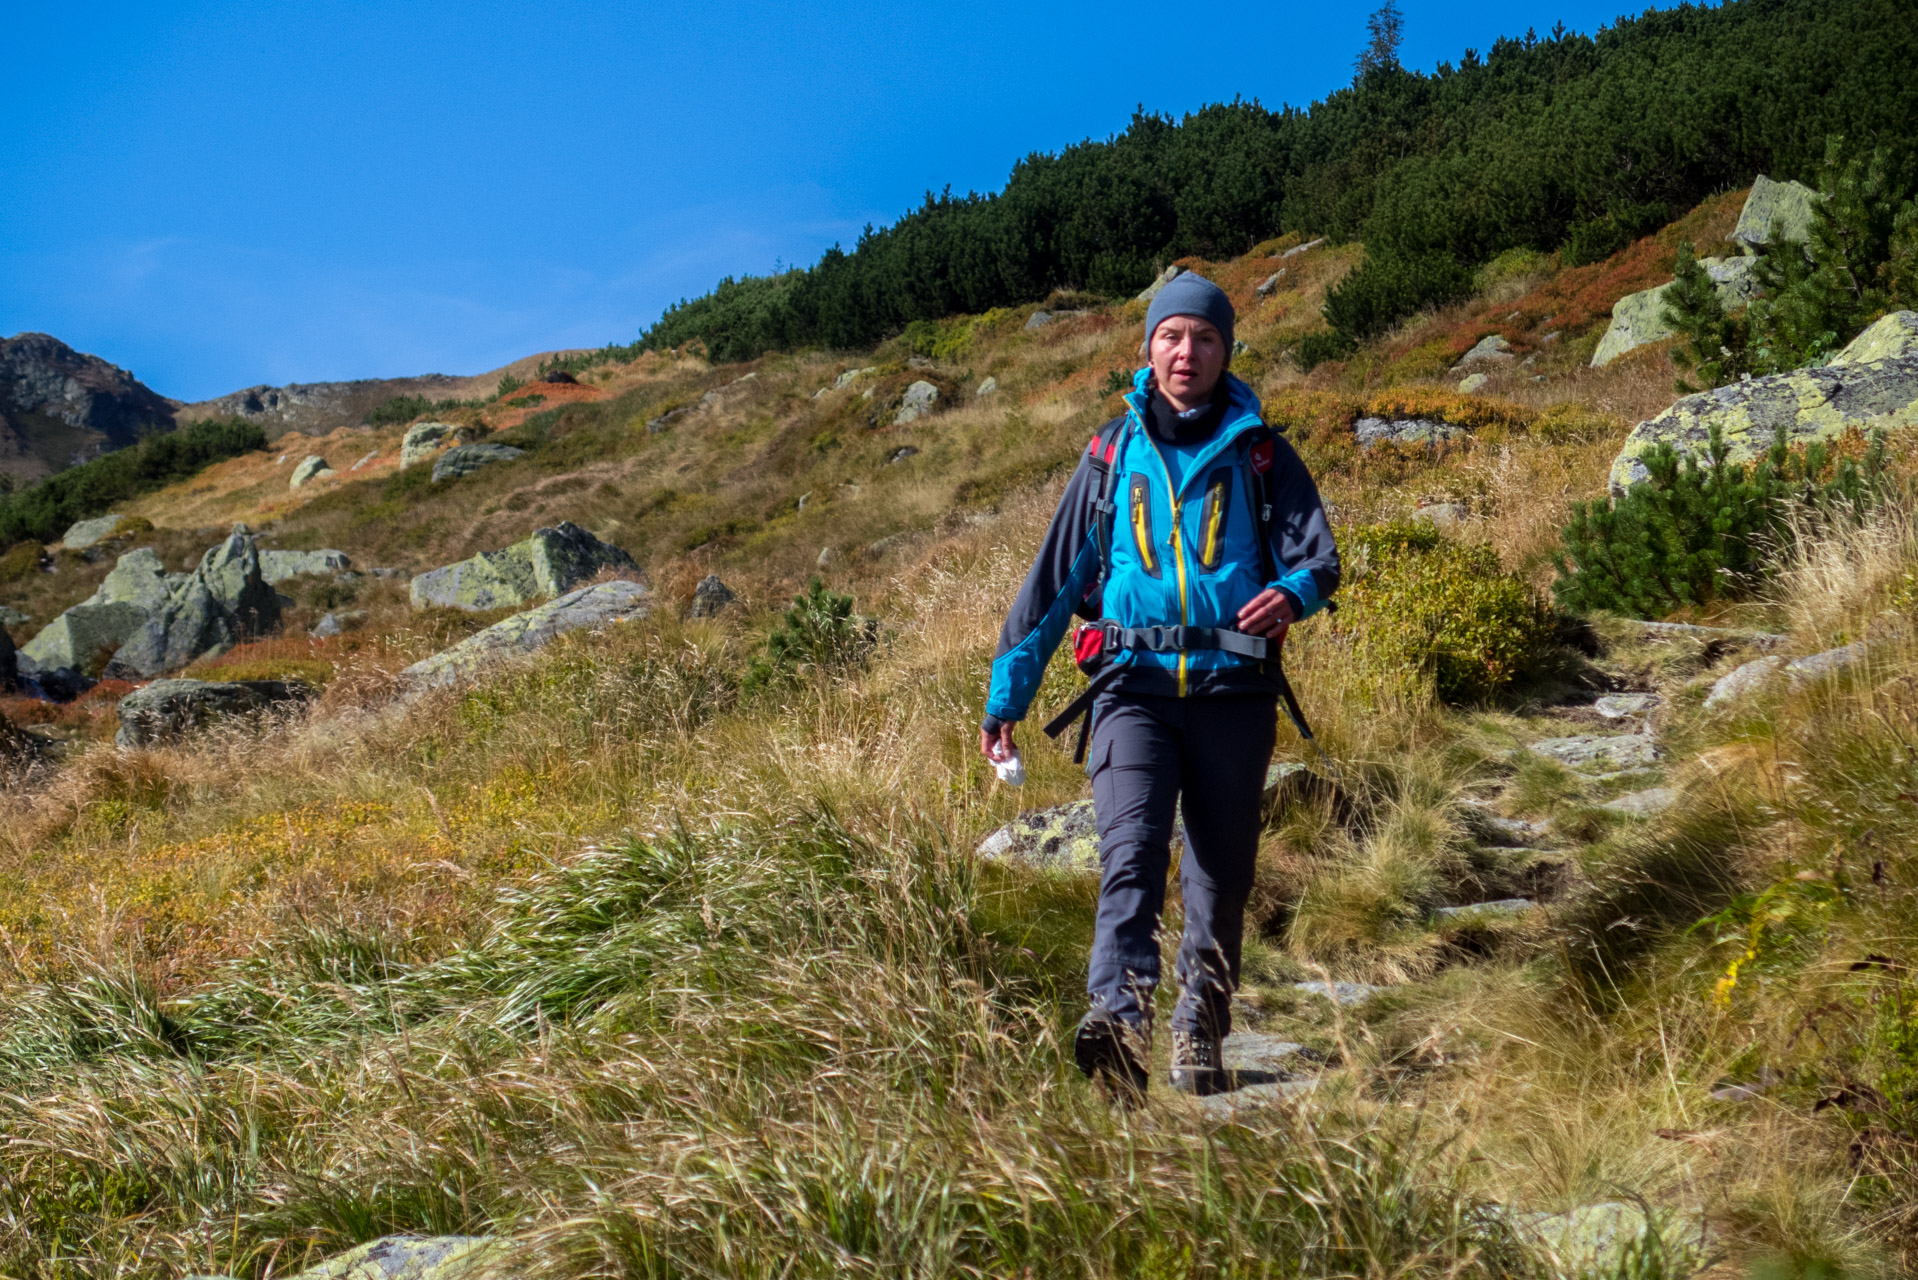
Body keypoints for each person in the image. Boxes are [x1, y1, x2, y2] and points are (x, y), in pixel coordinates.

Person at [979, 273, 1339, 1098]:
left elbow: (1318, 559)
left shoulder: (1263, 455)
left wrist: (1293, 594)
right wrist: (1007, 701)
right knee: (1130, 854)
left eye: (1205, 338)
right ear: (1148, 348)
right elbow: (1051, 588)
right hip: (1129, 691)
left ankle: (1201, 1033)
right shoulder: (1111, 454)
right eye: (1172, 336)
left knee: (1220, 873)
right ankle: (1121, 1024)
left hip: (1233, 696)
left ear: (1226, 352)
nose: (1188, 352)